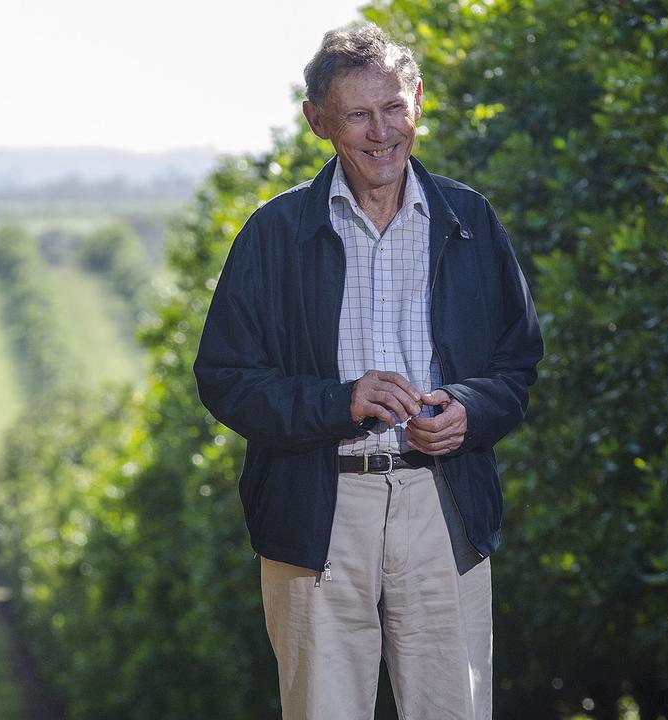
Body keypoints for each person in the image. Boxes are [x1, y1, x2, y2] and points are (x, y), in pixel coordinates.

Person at [194, 22, 543, 720]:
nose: (381, 131)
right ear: (317, 120)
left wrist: (472, 409)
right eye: (357, 114)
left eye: (393, 108)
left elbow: (517, 363)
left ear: (417, 100)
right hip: (318, 510)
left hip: (442, 505)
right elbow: (226, 377)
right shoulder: (273, 234)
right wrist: (340, 402)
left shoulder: (470, 220)